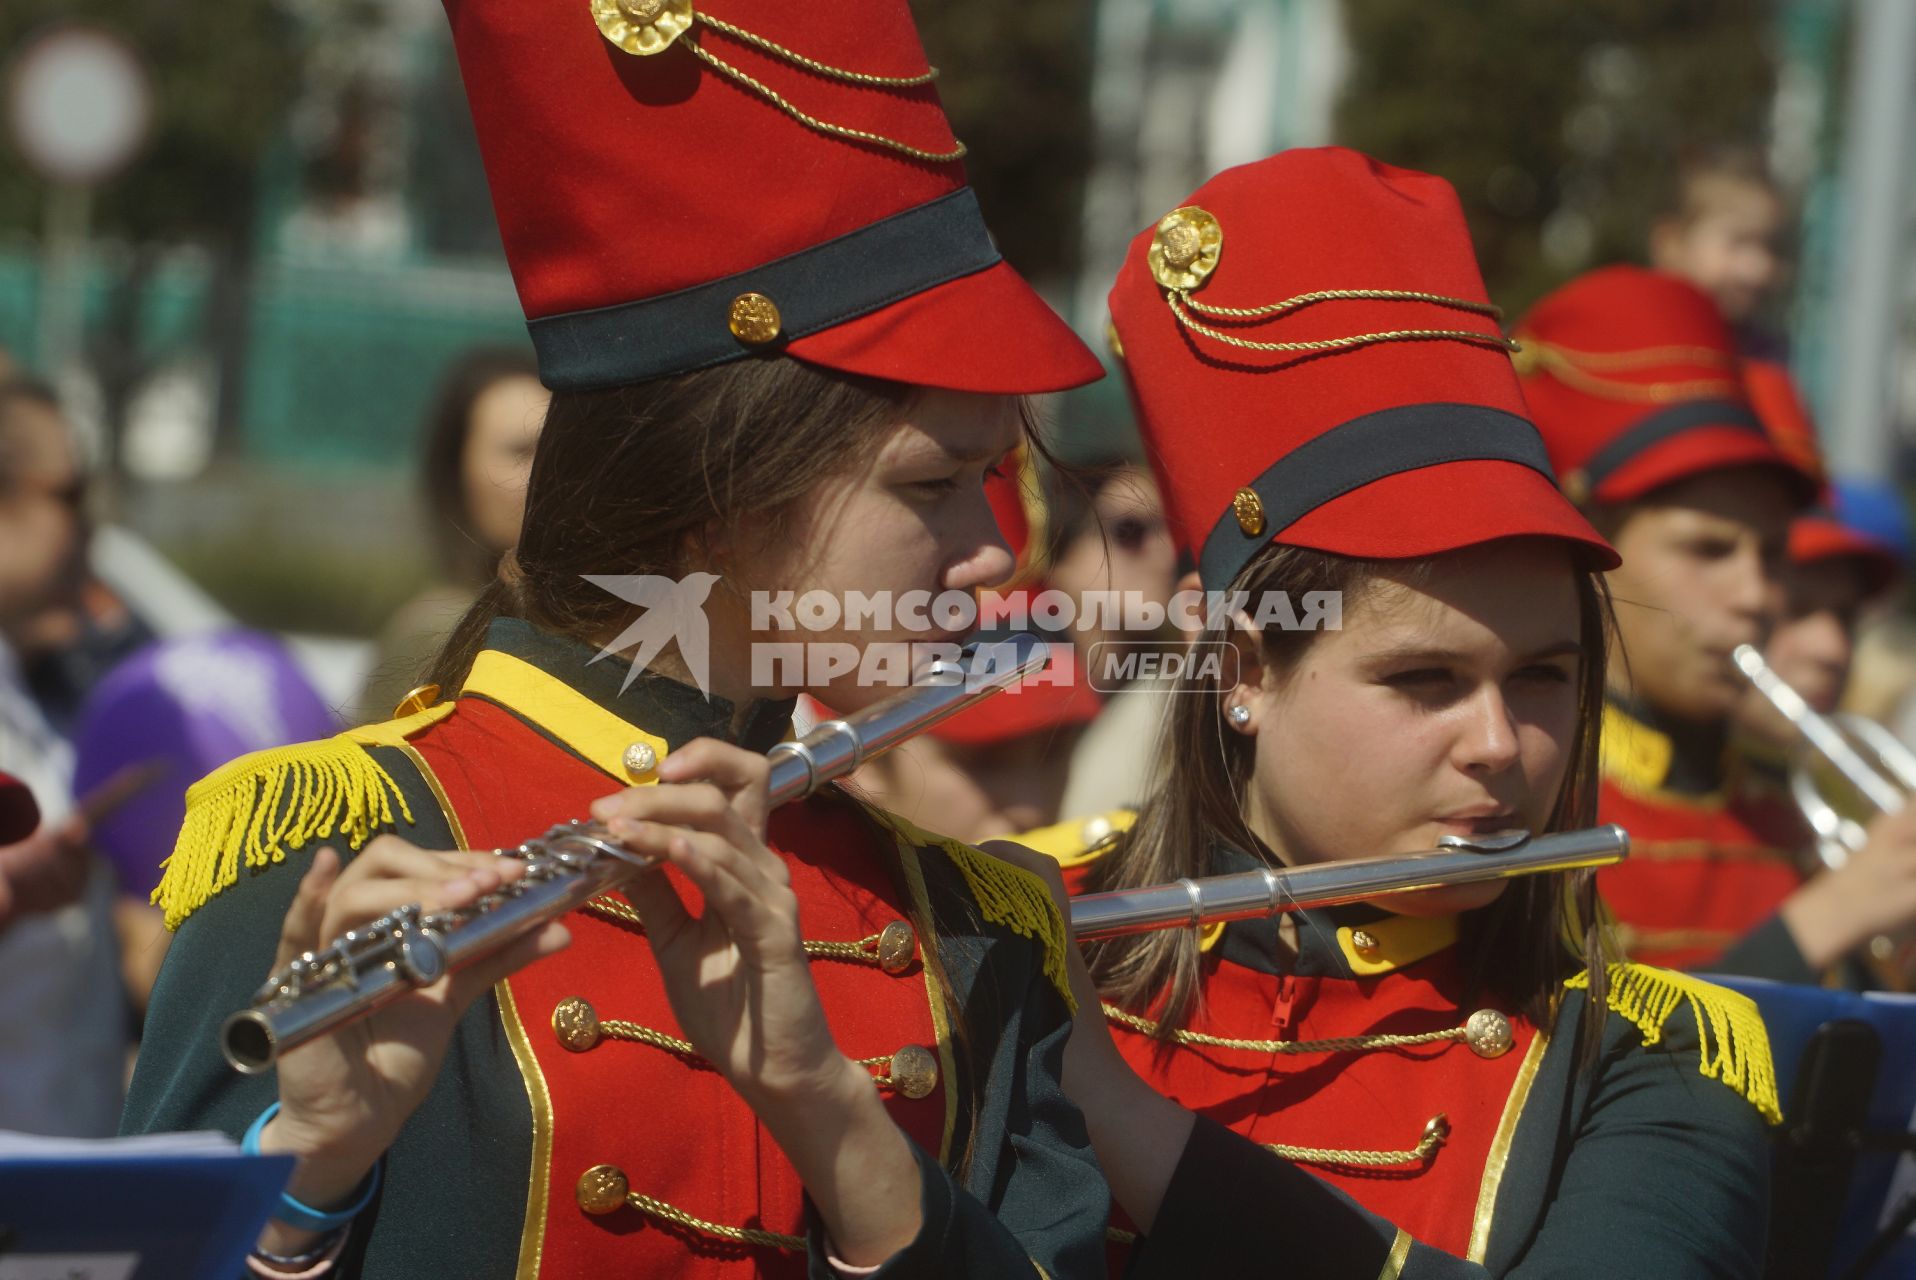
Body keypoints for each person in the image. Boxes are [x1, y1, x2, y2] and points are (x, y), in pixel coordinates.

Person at [123, 0, 1108, 1275]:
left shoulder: (974, 923)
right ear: (712, 503)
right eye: (932, 486)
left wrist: (826, 1110)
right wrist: (305, 1176)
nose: (992, 554)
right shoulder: (331, 844)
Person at [1028, 149, 1777, 1276]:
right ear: (1238, 670)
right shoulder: (1022, 927)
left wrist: (1101, 1100)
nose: (1497, 744)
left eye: (1542, 675)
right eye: (1423, 680)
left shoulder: (1652, 1052)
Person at [1514, 266, 1916, 986]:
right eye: (1708, 550)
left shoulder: (1781, 813)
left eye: (1769, 555)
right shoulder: (1529, 812)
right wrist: (1820, 924)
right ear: (1591, 558)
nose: (1757, 595)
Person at [356, 347, 546, 722]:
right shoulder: (435, 632)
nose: (547, 474)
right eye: (520, 451)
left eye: (558, 449)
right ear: (455, 474)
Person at [1647, 145, 1788, 357]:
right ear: (1671, 244)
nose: (1760, 268)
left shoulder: (1768, 359)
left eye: (1771, 246)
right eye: (1738, 242)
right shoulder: (1631, 341)